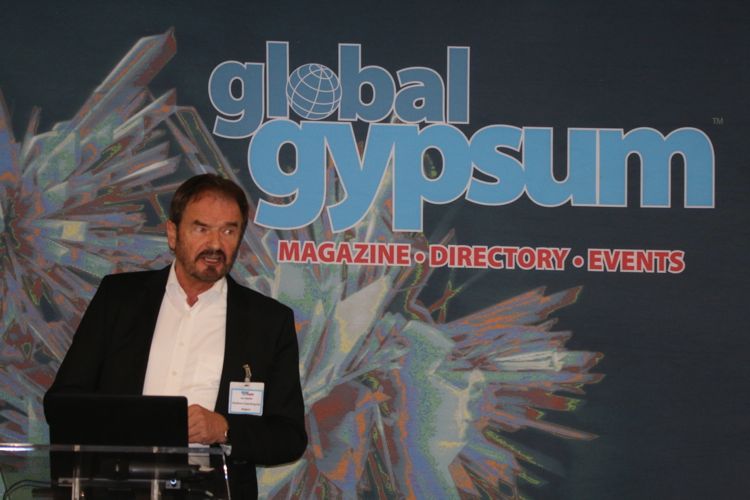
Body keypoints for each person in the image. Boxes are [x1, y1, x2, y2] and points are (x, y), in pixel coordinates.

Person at [44, 174, 307, 498]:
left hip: (211, 491)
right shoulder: (120, 299)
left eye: (229, 230)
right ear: (173, 233)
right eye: (201, 229)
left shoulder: (268, 321)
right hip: (117, 488)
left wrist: (224, 429)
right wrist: (129, 427)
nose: (215, 244)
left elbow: (289, 437)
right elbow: (62, 403)